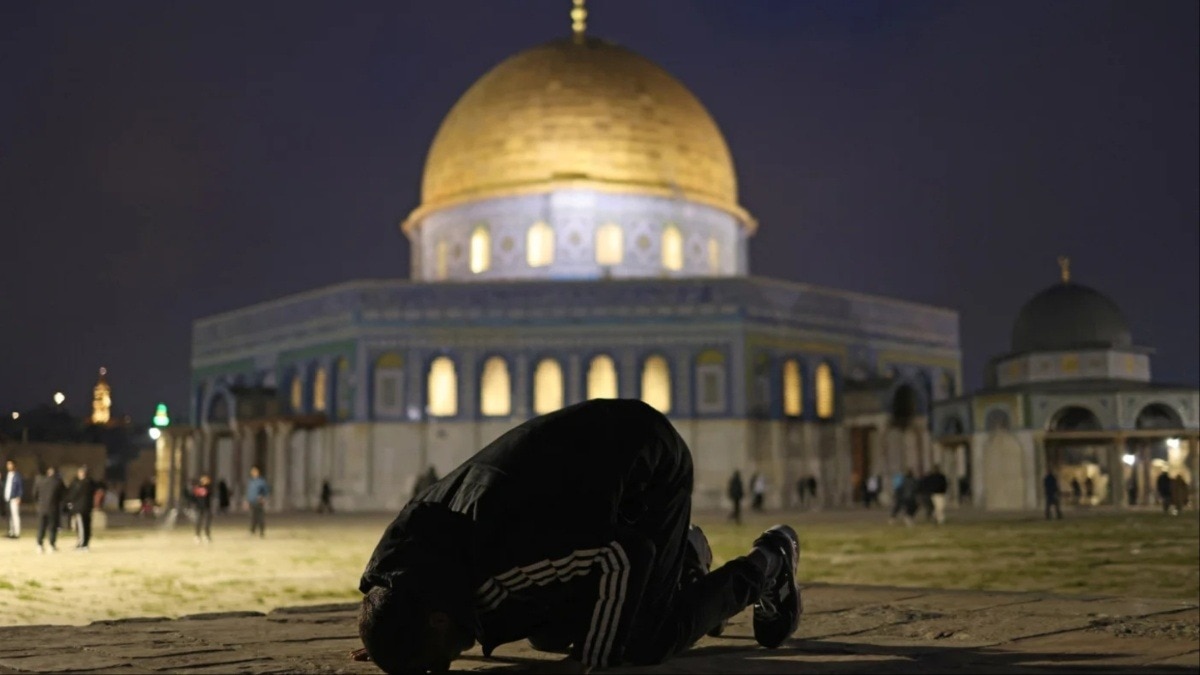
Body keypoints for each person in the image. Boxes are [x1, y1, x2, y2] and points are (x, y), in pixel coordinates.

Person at [352, 399, 802, 674]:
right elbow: (398, 605)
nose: (446, 665)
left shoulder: (500, 557)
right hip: (587, 478)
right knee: (549, 631)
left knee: (643, 641)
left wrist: (585, 660)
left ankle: (768, 563)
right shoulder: (413, 567)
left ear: (437, 619)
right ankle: (683, 560)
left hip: (644, 463)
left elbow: (626, 555)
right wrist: (394, 644)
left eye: (435, 663)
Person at [65, 466, 98, 551]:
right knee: (85, 526)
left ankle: (82, 544)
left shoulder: (79, 484)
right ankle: (84, 543)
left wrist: (69, 502)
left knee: (81, 527)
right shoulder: (90, 483)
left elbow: (72, 494)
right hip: (87, 508)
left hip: (80, 508)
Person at [33, 466, 65, 553]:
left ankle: (39, 545)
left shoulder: (40, 481)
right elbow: (63, 495)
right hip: (53, 508)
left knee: (41, 527)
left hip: (42, 507)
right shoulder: (57, 482)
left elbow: (35, 494)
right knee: (52, 527)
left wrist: (38, 503)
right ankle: (51, 545)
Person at [245, 466, 270, 538]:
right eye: (252, 471)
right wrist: (247, 501)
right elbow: (249, 492)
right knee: (253, 517)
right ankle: (252, 530)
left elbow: (266, 490)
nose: (253, 473)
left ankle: (262, 531)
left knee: (260, 517)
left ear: (257, 472)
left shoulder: (261, 481)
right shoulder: (251, 481)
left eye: (254, 471)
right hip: (252, 501)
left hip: (259, 502)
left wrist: (263, 497)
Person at [4, 459, 23, 539]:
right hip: (7, 498)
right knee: (10, 516)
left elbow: (20, 487)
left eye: (10, 464)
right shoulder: (7, 475)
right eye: (8, 464)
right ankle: (11, 532)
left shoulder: (17, 476)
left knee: (15, 516)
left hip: (14, 498)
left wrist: (19, 497)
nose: (9, 466)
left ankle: (17, 532)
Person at [193, 474, 214, 543]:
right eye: (204, 479)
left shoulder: (209, 488)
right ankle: (197, 535)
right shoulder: (198, 487)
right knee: (198, 522)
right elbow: (195, 496)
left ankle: (207, 535)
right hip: (199, 507)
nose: (205, 481)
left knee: (207, 522)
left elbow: (209, 494)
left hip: (207, 507)